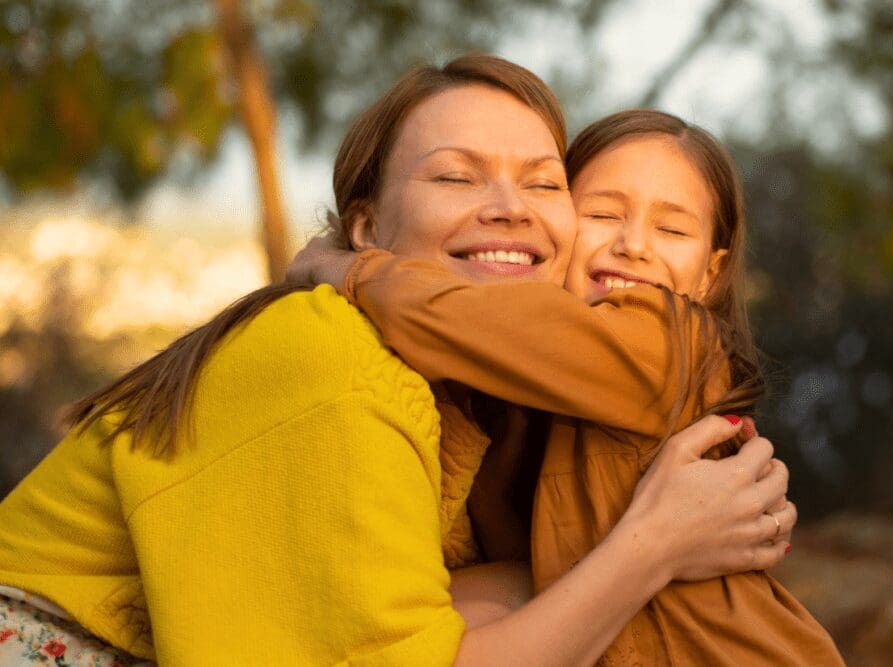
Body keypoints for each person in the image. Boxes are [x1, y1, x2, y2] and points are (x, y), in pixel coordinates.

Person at [0, 56, 793, 665]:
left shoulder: (489, 401)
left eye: (542, 183)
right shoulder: (331, 356)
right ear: (367, 227)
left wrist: (685, 531)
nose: (510, 207)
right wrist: (656, 542)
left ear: (715, 268)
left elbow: (504, 591)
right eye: (455, 175)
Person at [288, 109, 844, 664]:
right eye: (602, 214)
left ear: (710, 273)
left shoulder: (671, 341)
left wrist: (345, 267)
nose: (633, 245)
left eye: (672, 229)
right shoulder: (525, 390)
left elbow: (457, 318)